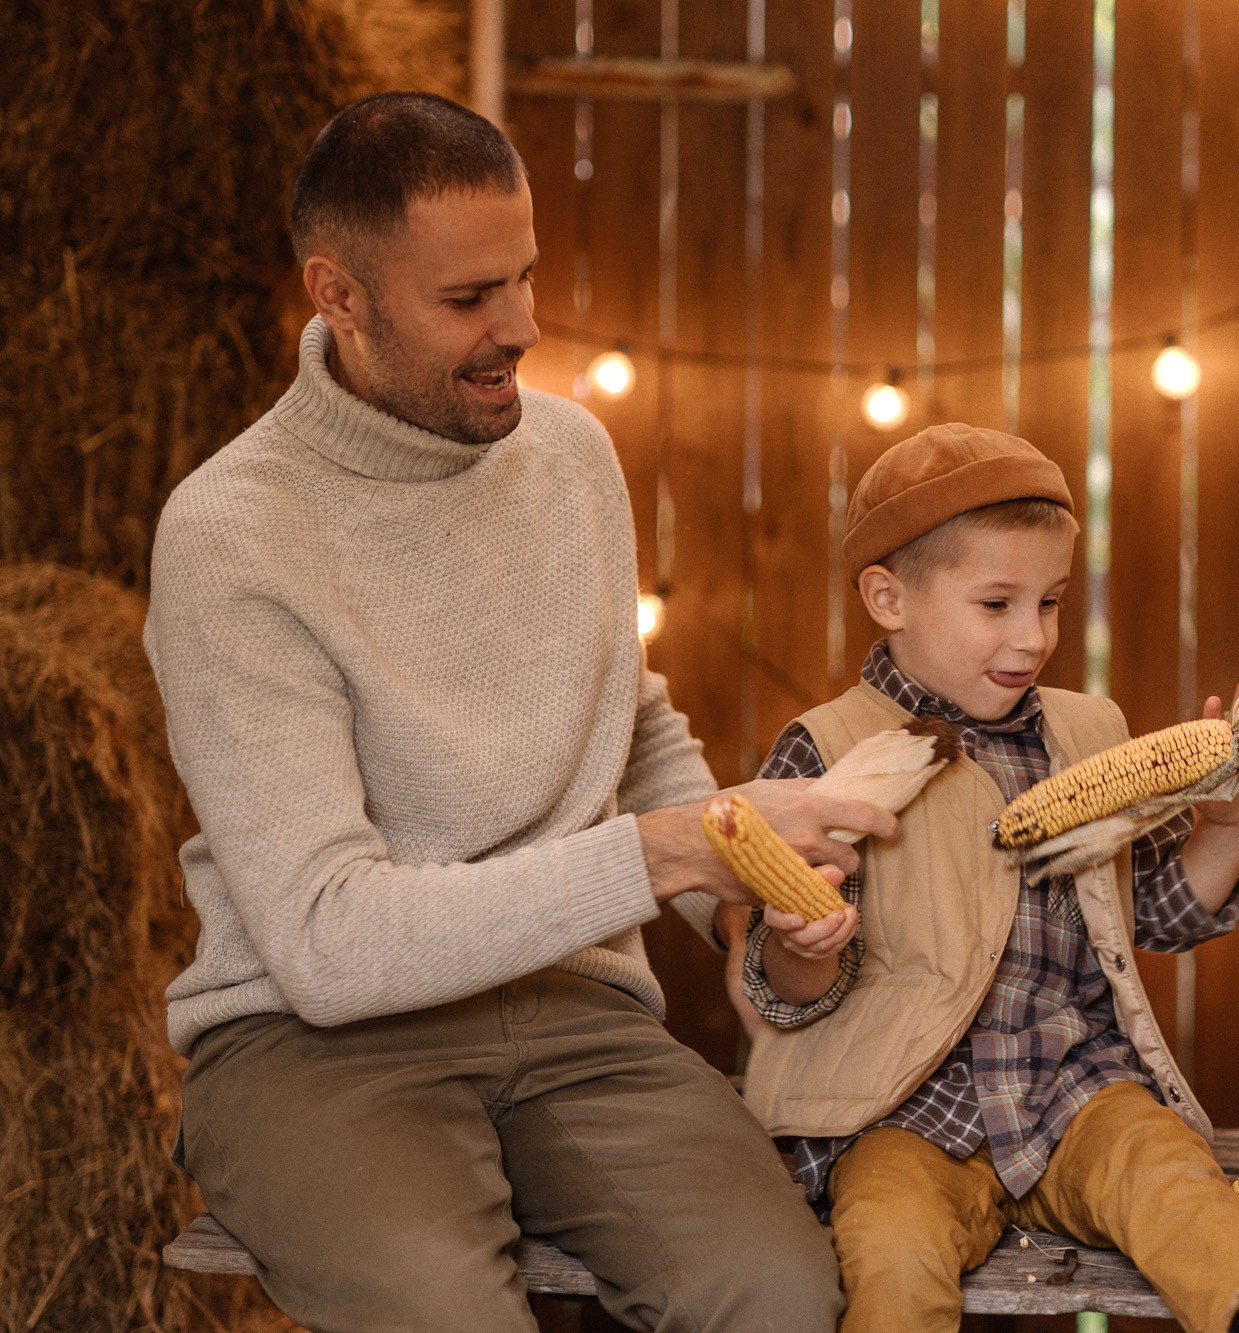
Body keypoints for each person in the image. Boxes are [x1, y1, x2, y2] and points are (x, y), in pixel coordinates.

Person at [144, 92, 893, 1333]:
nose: (522, 329)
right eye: (468, 300)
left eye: (526, 279)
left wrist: (738, 907)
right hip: (310, 1044)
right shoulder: (232, 535)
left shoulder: (572, 457)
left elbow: (635, 727)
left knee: (777, 1293)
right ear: (337, 295)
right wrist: (669, 853)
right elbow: (330, 945)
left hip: (572, 1011)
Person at [731, 422, 1239, 1333]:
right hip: (899, 1111)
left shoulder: (1089, 735)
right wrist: (797, 943)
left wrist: (1218, 828)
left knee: (1176, 1182)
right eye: (997, 604)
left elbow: (1150, 915)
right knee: (891, 1253)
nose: (1032, 637)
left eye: (1050, 603)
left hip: (1073, 1087)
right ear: (889, 597)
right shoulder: (825, 754)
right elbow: (786, 996)